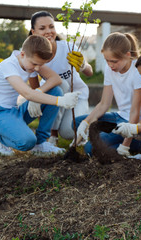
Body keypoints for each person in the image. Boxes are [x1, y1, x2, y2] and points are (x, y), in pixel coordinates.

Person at [0, 35, 81, 156]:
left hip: (14, 111)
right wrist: (61, 101)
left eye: (41, 65)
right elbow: (27, 93)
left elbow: (56, 79)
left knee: (56, 91)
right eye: (34, 64)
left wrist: (38, 92)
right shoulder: (8, 66)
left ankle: (41, 143)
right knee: (27, 142)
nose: (37, 68)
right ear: (22, 54)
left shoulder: (30, 62)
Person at [73, 32, 141, 156]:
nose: (110, 65)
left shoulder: (137, 71)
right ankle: (108, 140)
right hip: (120, 117)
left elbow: (135, 111)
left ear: (127, 55)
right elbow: (104, 104)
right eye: (107, 60)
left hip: (134, 123)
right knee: (77, 122)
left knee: (89, 149)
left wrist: (125, 146)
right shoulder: (109, 68)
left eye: (114, 61)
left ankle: (137, 142)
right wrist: (86, 123)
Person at [28, 11, 93, 145]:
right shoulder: (32, 56)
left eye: (51, 27)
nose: (48, 31)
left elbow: (89, 72)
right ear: (33, 32)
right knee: (61, 85)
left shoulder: (68, 48)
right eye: (42, 28)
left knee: (68, 132)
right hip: (56, 98)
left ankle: (88, 125)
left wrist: (83, 66)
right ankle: (53, 136)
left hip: (77, 97)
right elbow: (37, 94)